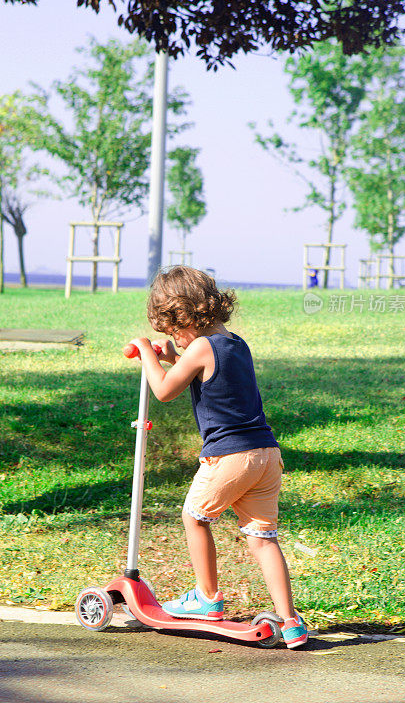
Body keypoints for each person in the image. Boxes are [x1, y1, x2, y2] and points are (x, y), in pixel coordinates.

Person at [127, 266, 308, 648]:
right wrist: (174, 356)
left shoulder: (199, 348)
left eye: (173, 331)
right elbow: (205, 373)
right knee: (263, 538)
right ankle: (291, 623)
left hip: (231, 457)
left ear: (183, 317)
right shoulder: (235, 343)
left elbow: (162, 391)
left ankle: (207, 599)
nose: (174, 339)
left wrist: (146, 351)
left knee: (194, 516)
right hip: (266, 455)